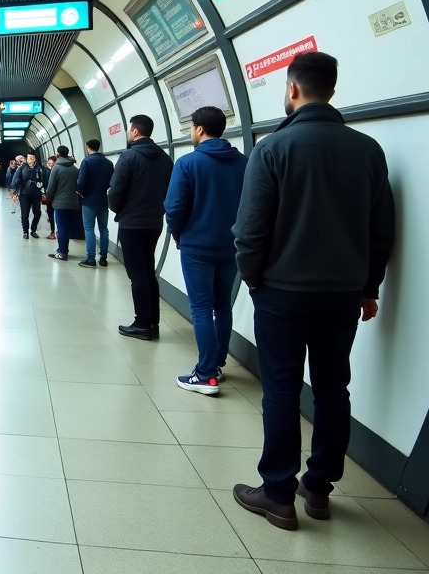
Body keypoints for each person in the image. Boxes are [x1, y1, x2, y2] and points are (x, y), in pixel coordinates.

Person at [231, 52, 394, 531]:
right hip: (343, 293)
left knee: (281, 388)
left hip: (281, 291)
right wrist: (369, 287)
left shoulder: (272, 149)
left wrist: (254, 277)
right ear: (333, 90)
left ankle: (277, 493)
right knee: (332, 387)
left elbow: (250, 229)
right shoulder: (368, 150)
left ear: (292, 89)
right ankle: (318, 488)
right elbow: (381, 228)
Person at [163, 106, 248, 395]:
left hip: (197, 246)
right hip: (231, 246)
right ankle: (218, 363)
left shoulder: (188, 163)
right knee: (222, 305)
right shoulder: (244, 163)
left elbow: (174, 207)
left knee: (201, 309)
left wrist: (177, 231)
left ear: (199, 129)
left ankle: (206, 374)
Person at [108, 115, 173, 340]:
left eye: (128, 130)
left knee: (137, 275)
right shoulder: (165, 159)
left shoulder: (128, 158)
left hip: (131, 224)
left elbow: (115, 191)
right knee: (148, 272)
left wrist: (117, 208)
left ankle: (142, 324)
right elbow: (170, 190)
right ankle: (152, 322)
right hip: (154, 222)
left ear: (135, 132)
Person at [77, 139, 114, 269]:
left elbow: (81, 182)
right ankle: (103, 257)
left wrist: (80, 192)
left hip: (88, 200)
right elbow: (112, 182)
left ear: (88, 147)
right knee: (104, 229)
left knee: (89, 229)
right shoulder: (109, 163)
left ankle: (91, 259)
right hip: (104, 200)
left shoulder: (86, 161)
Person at [46, 146, 80, 261]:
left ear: (58, 154)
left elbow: (51, 187)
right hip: (73, 202)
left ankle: (62, 252)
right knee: (67, 227)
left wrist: (48, 198)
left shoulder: (56, 168)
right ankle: (64, 249)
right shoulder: (75, 168)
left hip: (60, 204)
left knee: (61, 228)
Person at [11, 153, 45, 239]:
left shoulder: (39, 168)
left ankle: (33, 229)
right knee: (25, 213)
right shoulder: (22, 168)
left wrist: (44, 192)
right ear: (27, 159)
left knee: (37, 213)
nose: (32, 158)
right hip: (24, 194)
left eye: (33, 156)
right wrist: (14, 193)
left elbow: (44, 180)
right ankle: (25, 231)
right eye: (30, 157)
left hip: (36, 193)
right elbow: (15, 180)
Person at [42, 156, 57, 239]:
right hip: (51, 196)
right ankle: (53, 231)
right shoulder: (46, 171)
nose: (49, 164)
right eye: (49, 162)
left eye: (51, 163)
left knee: (52, 213)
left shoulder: (54, 171)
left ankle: (54, 232)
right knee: (51, 214)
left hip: (53, 196)